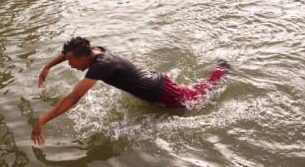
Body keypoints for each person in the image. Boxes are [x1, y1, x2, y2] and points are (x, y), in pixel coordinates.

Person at [31, 37, 230, 144]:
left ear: (83, 57)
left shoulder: (100, 66)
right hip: (154, 84)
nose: (70, 65)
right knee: (191, 94)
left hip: (162, 92)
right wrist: (48, 66)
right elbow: (66, 53)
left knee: (197, 99)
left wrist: (42, 120)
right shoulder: (94, 50)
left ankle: (223, 69)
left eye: (72, 62)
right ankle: (220, 69)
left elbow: (73, 99)